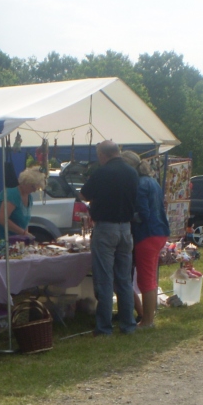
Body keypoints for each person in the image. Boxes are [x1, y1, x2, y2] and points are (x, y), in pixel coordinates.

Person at [80, 141, 138, 336]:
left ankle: (104, 327)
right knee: (124, 279)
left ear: (103, 155)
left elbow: (84, 194)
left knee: (104, 279)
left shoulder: (102, 172)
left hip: (106, 227)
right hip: (126, 228)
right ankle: (128, 324)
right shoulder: (132, 172)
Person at [120, 150, 169, 328]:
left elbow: (142, 214)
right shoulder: (152, 182)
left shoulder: (139, 184)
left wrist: (124, 214)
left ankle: (148, 321)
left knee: (145, 280)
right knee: (150, 278)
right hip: (159, 233)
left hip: (146, 234)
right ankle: (147, 317)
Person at [0, 167, 45, 239]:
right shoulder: (11, 194)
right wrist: (24, 233)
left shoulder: (29, 198)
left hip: (17, 240)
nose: (34, 190)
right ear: (26, 182)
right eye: (33, 187)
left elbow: (25, 223)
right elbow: (2, 219)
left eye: (37, 188)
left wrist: (27, 237)